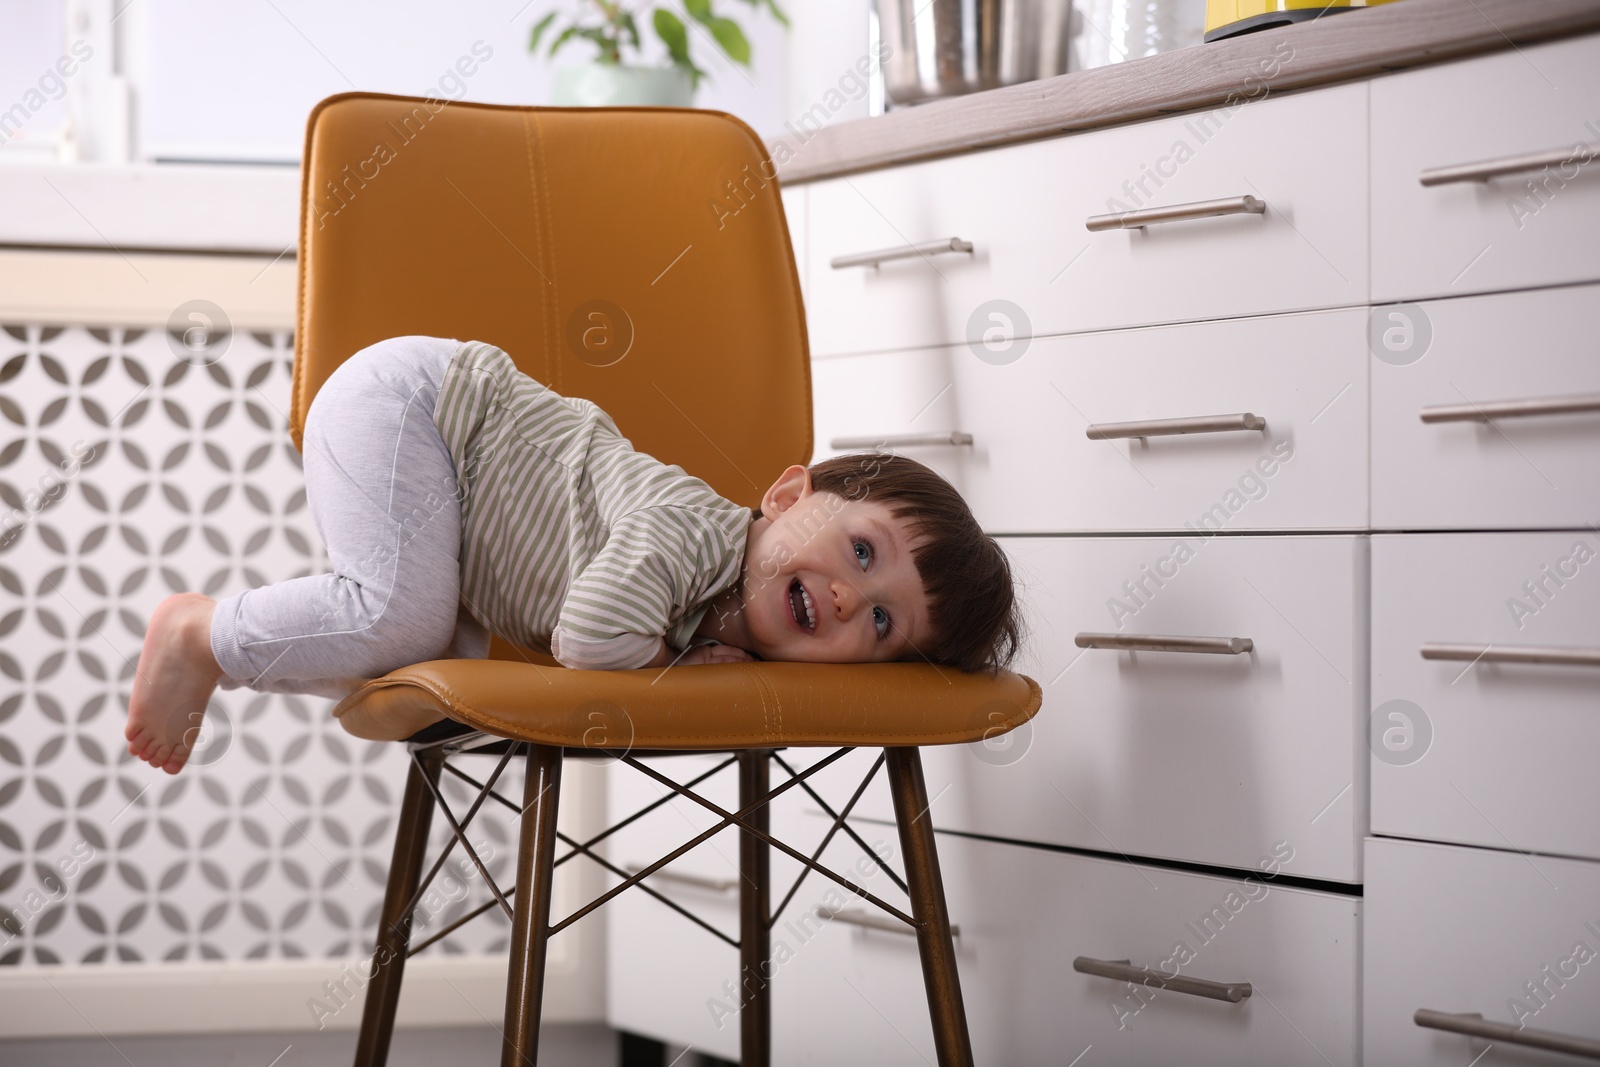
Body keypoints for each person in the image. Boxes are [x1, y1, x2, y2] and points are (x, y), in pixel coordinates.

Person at [124, 336, 1021, 774]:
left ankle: (226, 649)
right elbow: (589, 638)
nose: (841, 594)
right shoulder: (692, 533)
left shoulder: (728, 615)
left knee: (427, 679)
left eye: (879, 620)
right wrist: (683, 666)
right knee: (401, 617)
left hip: (459, 504)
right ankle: (199, 633)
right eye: (861, 549)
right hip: (420, 407)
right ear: (785, 497)